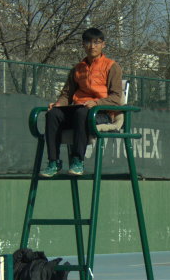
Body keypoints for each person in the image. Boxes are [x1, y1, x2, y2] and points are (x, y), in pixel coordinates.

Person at [40, 28, 123, 177]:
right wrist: (59, 104)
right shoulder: (77, 69)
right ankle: (53, 162)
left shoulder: (112, 67)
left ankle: (77, 161)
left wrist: (97, 103)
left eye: (96, 43)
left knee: (81, 113)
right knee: (53, 114)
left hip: (100, 113)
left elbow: (116, 96)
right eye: (88, 42)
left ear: (103, 45)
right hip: (80, 110)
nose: (92, 46)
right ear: (83, 44)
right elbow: (66, 94)